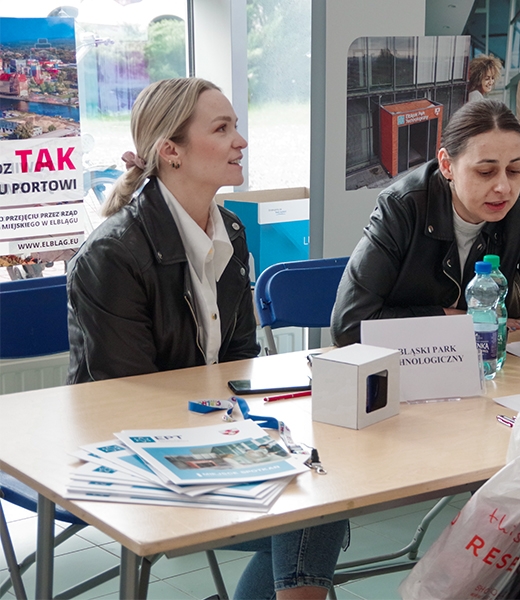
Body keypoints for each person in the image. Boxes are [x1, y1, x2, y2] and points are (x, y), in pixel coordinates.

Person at [66, 78, 348, 600]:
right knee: (315, 513)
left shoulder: (231, 232)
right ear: (170, 151)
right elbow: (126, 399)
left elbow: (240, 362)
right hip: (129, 454)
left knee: (324, 499)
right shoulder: (112, 253)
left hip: (208, 435)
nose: (240, 141)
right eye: (222, 129)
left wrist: (250, 435)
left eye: (236, 126)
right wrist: (235, 438)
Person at [331, 99, 520, 401]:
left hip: (492, 376)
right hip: (409, 382)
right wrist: (458, 318)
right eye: (486, 172)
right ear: (447, 165)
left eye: (515, 170)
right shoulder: (403, 207)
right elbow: (350, 324)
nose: (504, 188)